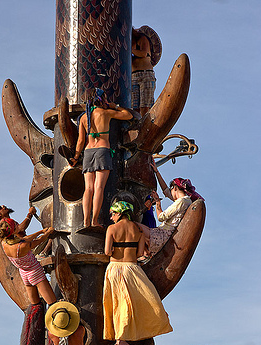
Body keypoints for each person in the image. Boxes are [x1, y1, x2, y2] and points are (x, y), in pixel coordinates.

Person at [103, 201, 172, 345]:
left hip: (115, 268)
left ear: (119, 213)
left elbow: (107, 252)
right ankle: (129, 336)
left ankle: (120, 339)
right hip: (132, 268)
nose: (111, 217)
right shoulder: (138, 230)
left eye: (113, 214)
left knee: (117, 303)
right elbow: (140, 253)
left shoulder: (111, 229)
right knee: (141, 300)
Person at [69, 88, 132, 229]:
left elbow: (80, 141)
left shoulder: (84, 118)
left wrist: (75, 157)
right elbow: (127, 115)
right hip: (103, 150)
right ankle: (94, 221)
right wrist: (114, 105)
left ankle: (85, 221)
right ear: (101, 99)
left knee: (88, 189)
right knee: (99, 187)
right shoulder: (106, 113)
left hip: (88, 152)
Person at [137, 164, 204, 257]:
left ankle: (144, 254)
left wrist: (157, 203)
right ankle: (145, 253)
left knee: (134, 227)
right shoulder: (186, 201)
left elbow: (161, 217)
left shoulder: (181, 201)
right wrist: (157, 172)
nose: (169, 192)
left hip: (163, 235)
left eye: (171, 189)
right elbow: (166, 191)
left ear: (175, 188)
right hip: (166, 235)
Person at [0, 219, 56, 306]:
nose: (18, 224)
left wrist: (41, 231)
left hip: (24, 274)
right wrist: (48, 233)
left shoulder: (4, 243)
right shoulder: (23, 246)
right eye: (16, 224)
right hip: (35, 273)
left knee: (35, 305)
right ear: (14, 229)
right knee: (53, 303)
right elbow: (39, 241)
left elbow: (25, 239)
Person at [132, 26, 162, 116]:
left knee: (145, 105)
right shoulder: (128, 44)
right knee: (134, 106)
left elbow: (144, 53)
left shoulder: (142, 39)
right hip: (133, 76)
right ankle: (136, 124)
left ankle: (145, 123)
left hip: (145, 74)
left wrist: (131, 50)